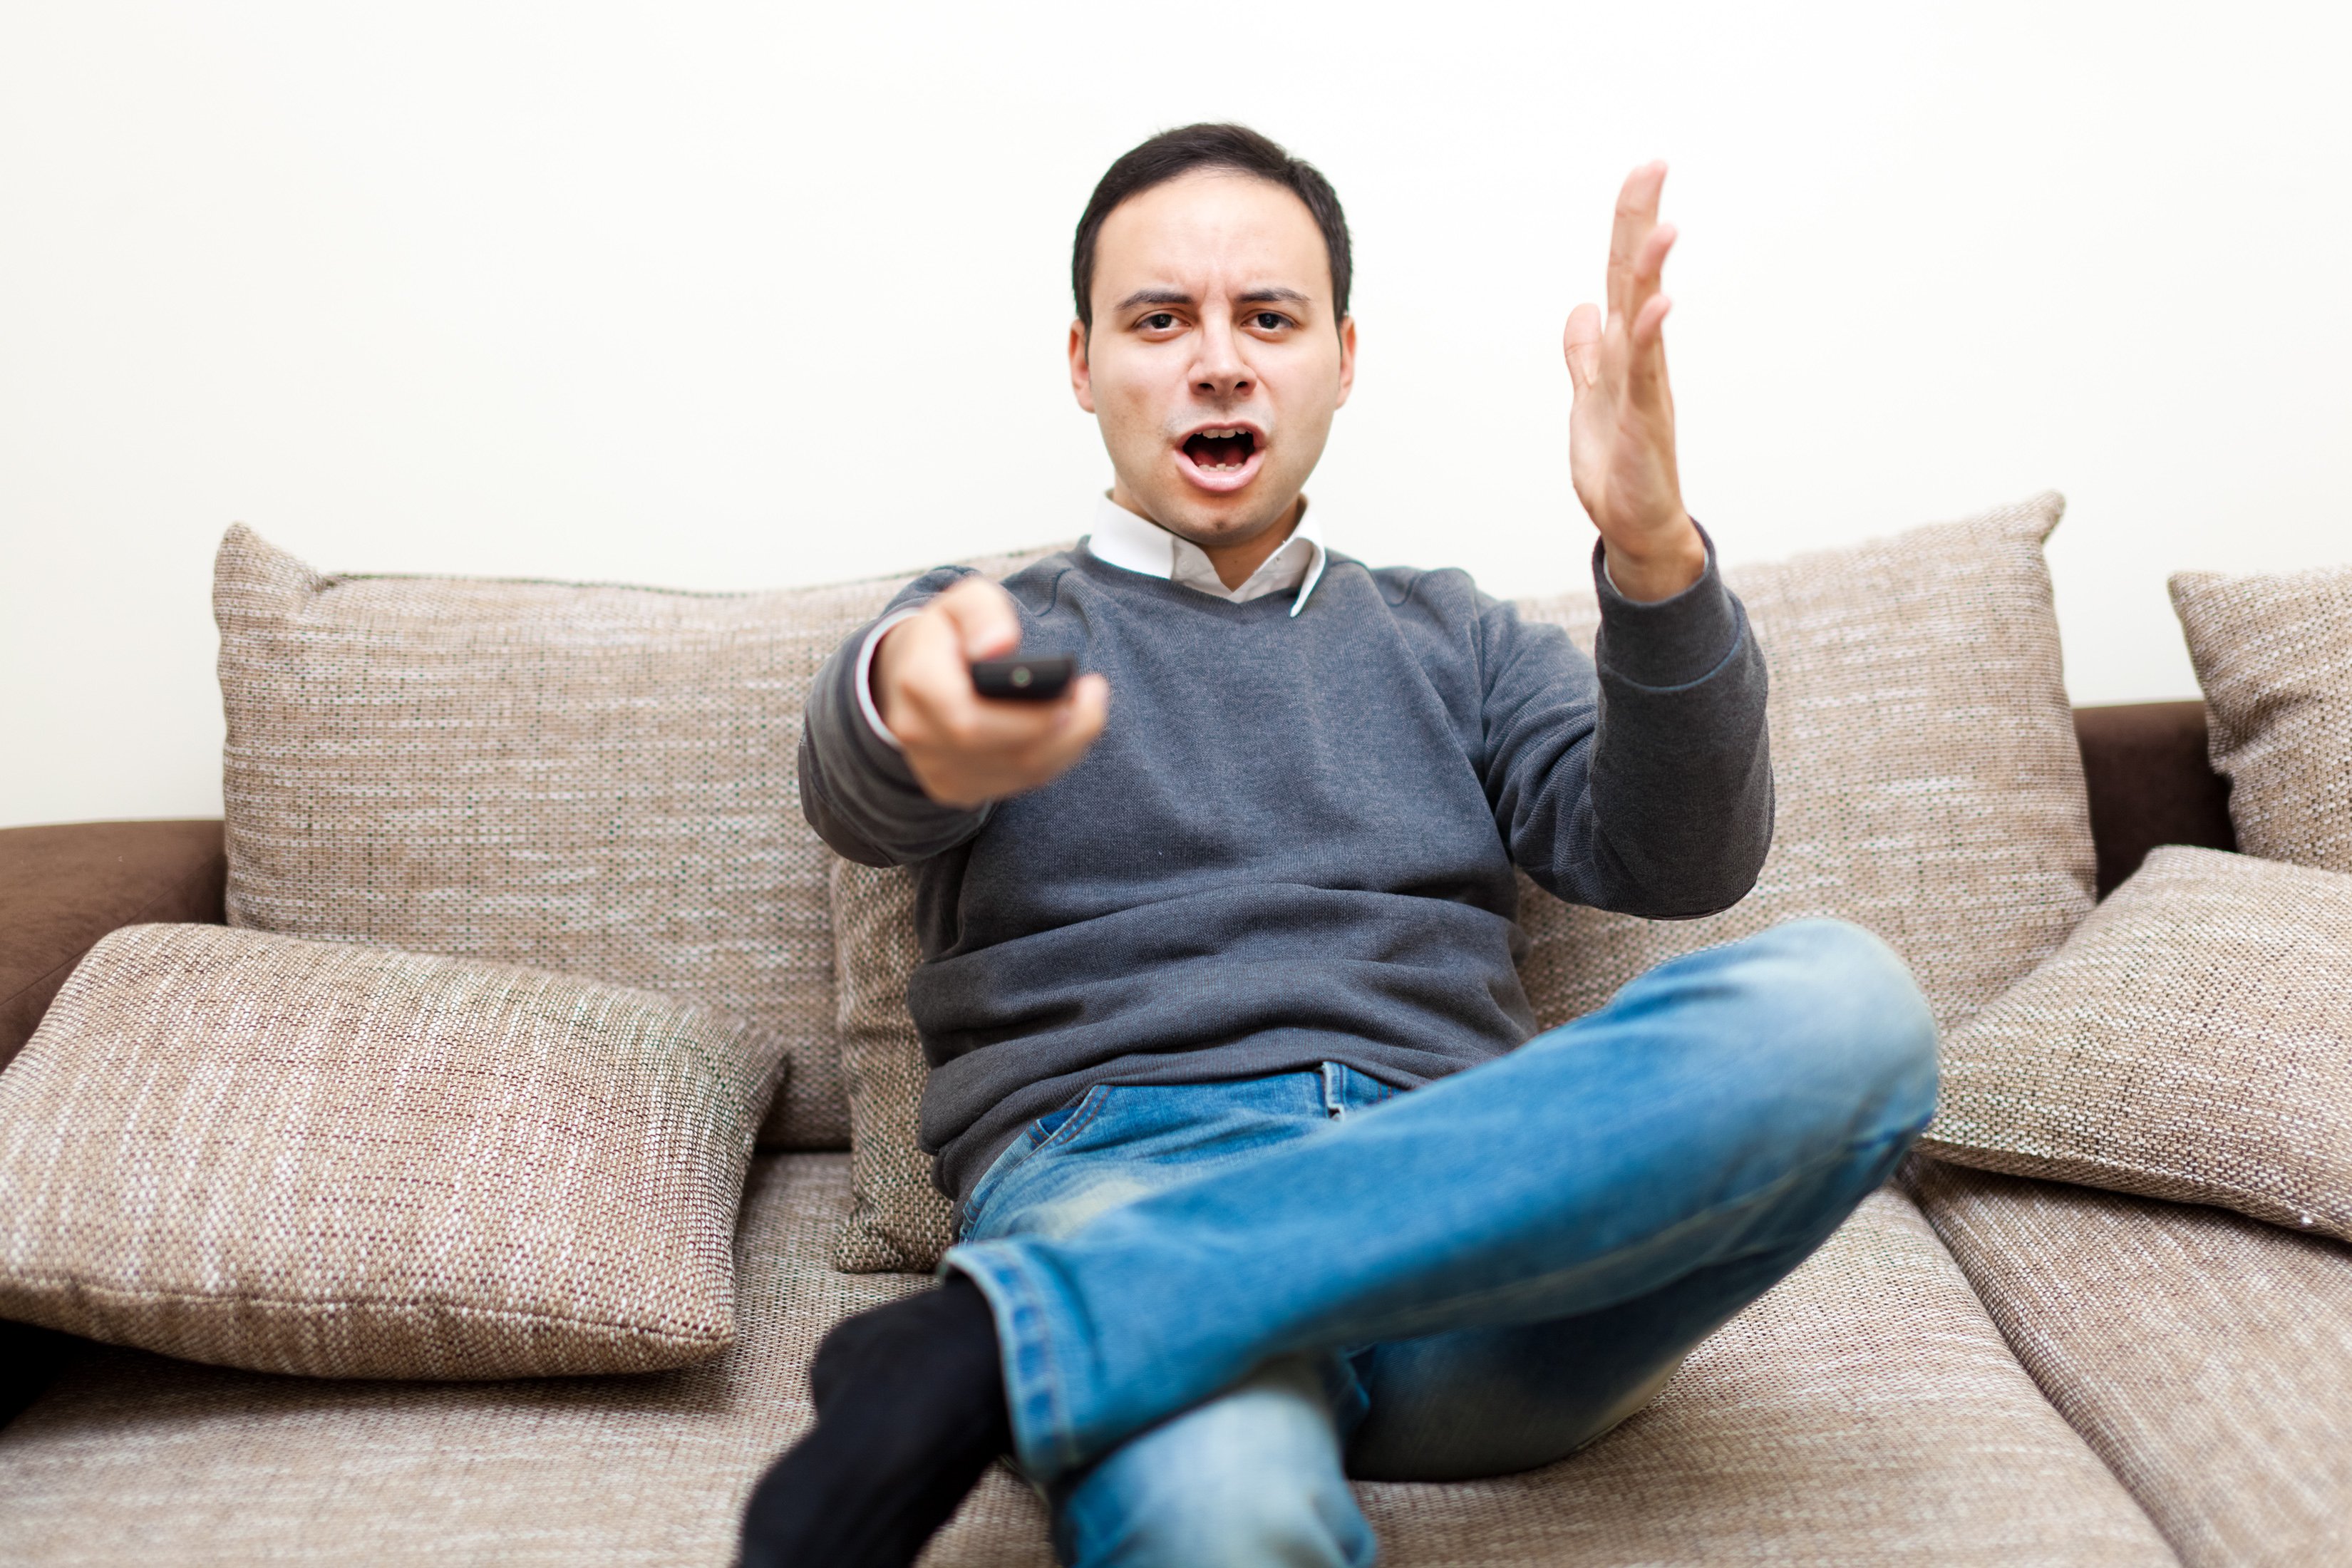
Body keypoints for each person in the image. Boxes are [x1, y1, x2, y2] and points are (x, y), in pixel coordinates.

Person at [742, 123, 1936, 1568]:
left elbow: (1680, 857)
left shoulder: (1459, 636)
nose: (1221, 360)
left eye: (1270, 317)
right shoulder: (995, 623)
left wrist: (1655, 550)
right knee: (1216, 1505)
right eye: (1161, 318)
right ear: (1082, 364)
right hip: (1124, 1170)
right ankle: (1110, 1306)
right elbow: (862, 763)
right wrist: (905, 708)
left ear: (1344, 357)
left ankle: (1038, 1331)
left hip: (1479, 1229)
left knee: (1849, 1009)